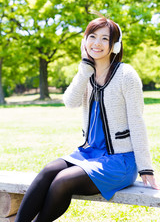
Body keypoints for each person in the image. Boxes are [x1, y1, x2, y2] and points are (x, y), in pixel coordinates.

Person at [15, 16, 160, 222]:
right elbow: (70, 102)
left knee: (62, 181)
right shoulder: (86, 74)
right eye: (92, 37)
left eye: (104, 38)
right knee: (48, 171)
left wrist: (146, 169)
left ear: (115, 45)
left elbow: (137, 122)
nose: (97, 43)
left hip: (120, 160)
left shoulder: (126, 75)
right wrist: (84, 69)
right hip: (89, 154)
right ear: (85, 41)